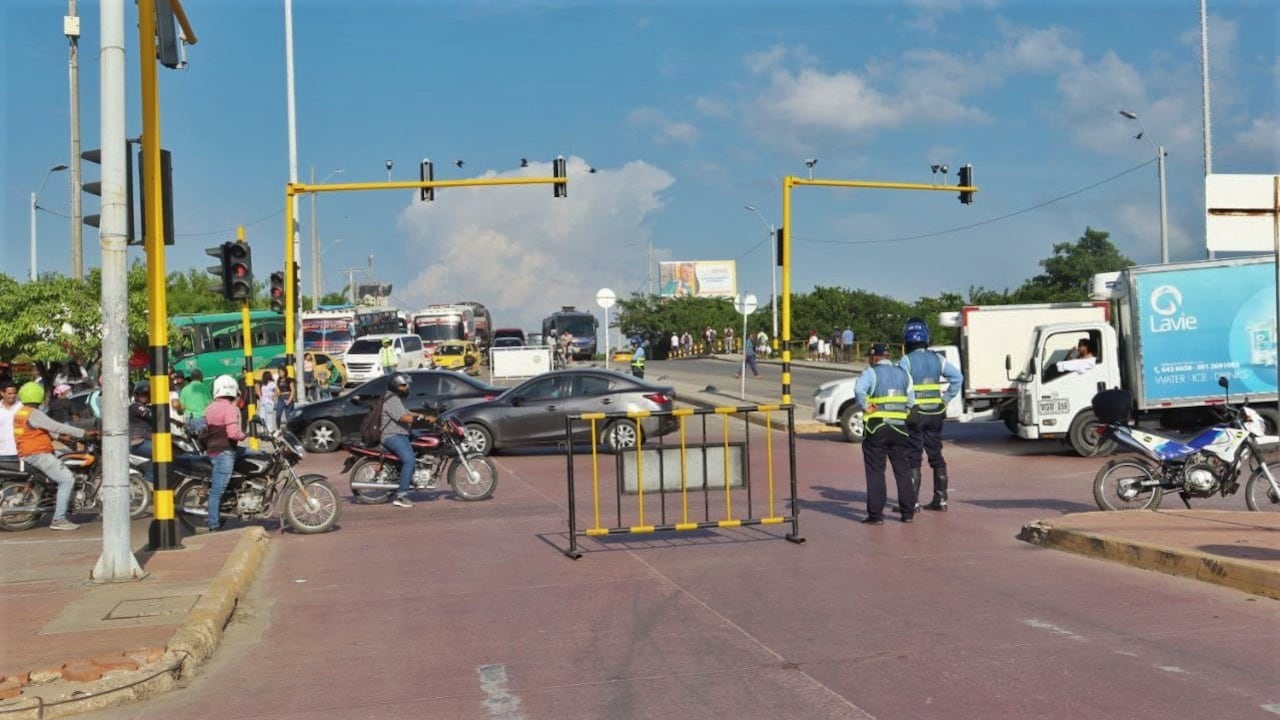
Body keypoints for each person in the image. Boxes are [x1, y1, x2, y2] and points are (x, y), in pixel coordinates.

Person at [13, 381, 99, 530]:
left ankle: (60, 496)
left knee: (69, 456)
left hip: (30, 451)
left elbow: (39, 429)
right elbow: (56, 426)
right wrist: (84, 433)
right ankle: (59, 519)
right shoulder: (34, 413)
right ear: (39, 396)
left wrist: (61, 438)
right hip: (38, 453)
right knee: (67, 480)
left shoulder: (21, 413)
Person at [899, 318, 963, 512]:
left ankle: (912, 503)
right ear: (926, 338)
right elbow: (958, 378)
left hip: (916, 414)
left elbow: (903, 385)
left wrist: (908, 406)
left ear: (906, 339)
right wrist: (946, 399)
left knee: (914, 456)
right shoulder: (937, 359)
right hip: (935, 413)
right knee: (936, 455)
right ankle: (941, 499)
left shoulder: (906, 361)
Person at [854, 343, 916, 525]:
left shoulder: (871, 373)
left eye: (869, 357)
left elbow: (859, 390)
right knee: (903, 470)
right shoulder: (904, 374)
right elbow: (911, 401)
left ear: (874, 357)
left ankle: (876, 516)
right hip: (900, 429)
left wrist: (866, 406)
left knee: (875, 472)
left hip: (877, 428)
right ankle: (908, 514)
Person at [380, 372, 435, 508]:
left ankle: (412, 475)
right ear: (395, 386)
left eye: (407, 385)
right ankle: (401, 496)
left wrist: (425, 416)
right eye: (403, 386)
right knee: (409, 460)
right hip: (392, 435)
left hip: (401, 434)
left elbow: (407, 412)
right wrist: (421, 419)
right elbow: (403, 418)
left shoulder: (395, 398)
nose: (407, 388)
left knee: (422, 440)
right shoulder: (391, 399)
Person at [204, 375, 247, 532]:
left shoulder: (210, 408)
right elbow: (233, 433)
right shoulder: (229, 408)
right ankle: (213, 524)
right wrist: (245, 435)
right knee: (217, 491)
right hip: (225, 453)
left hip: (213, 450)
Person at [128, 381, 155, 485]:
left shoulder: (149, 407)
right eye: (142, 394)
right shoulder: (135, 407)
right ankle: (149, 481)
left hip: (146, 442)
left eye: (147, 394)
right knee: (160, 451)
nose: (144, 397)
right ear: (136, 395)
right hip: (138, 443)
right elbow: (151, 415)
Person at [180, 369, 212, 436]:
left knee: (191, 441)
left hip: (188, 419)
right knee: (202, 440)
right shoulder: (205, 388)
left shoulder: (184, 389)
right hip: (202, 419)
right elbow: (210, 405)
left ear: (191, 378)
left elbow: (182, 407)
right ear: (201, 377)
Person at [0, 381, 23, 461]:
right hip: (2, 453)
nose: (12, 396)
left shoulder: (21, 407)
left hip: (20, 452)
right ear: (2, 393)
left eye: (14, 393)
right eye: (9, 393)